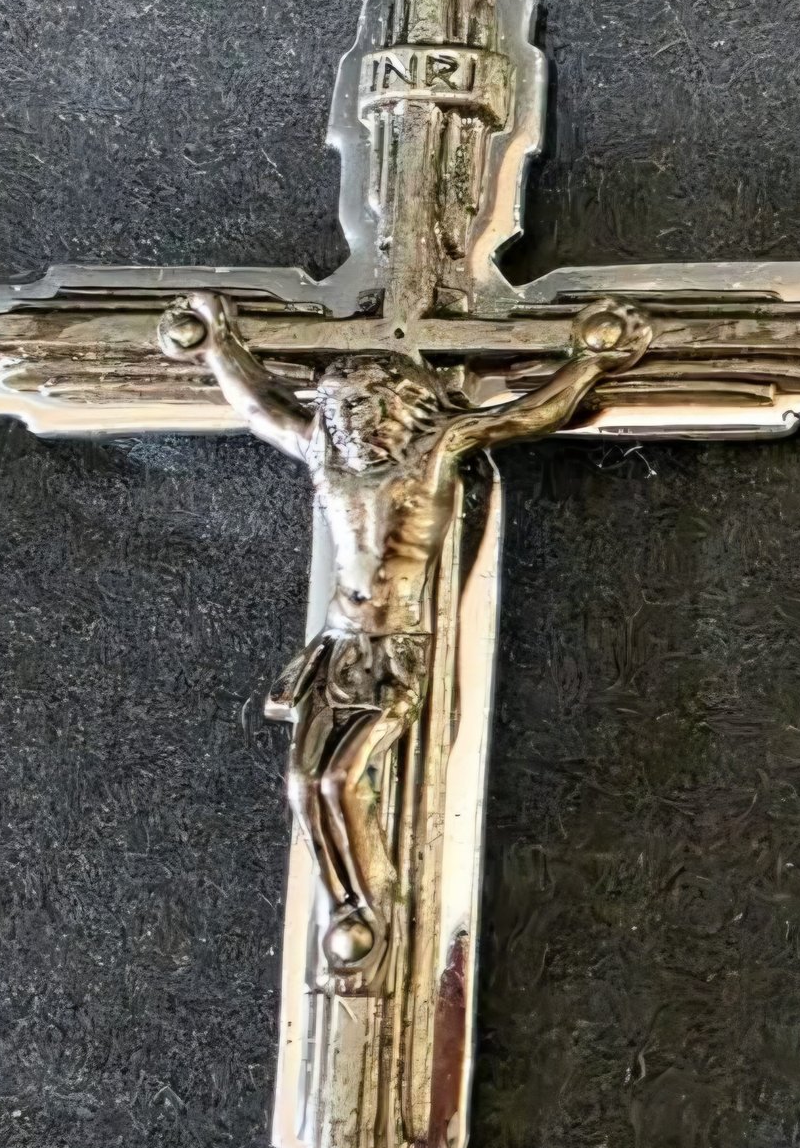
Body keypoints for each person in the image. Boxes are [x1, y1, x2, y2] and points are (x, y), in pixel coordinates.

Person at [158, 290, 650, 979]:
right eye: (342, 410)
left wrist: (588, 362)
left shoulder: (436, 449)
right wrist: (217, 347)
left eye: (367, 408)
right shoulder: (325, 452)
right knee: (301, 784)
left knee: (341, 777)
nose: (353, 422)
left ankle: (371, 902)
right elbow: (260, 407)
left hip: (394, 648)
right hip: (335, 646)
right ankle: (346, 904)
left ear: (400, 407)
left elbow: (526, 414)